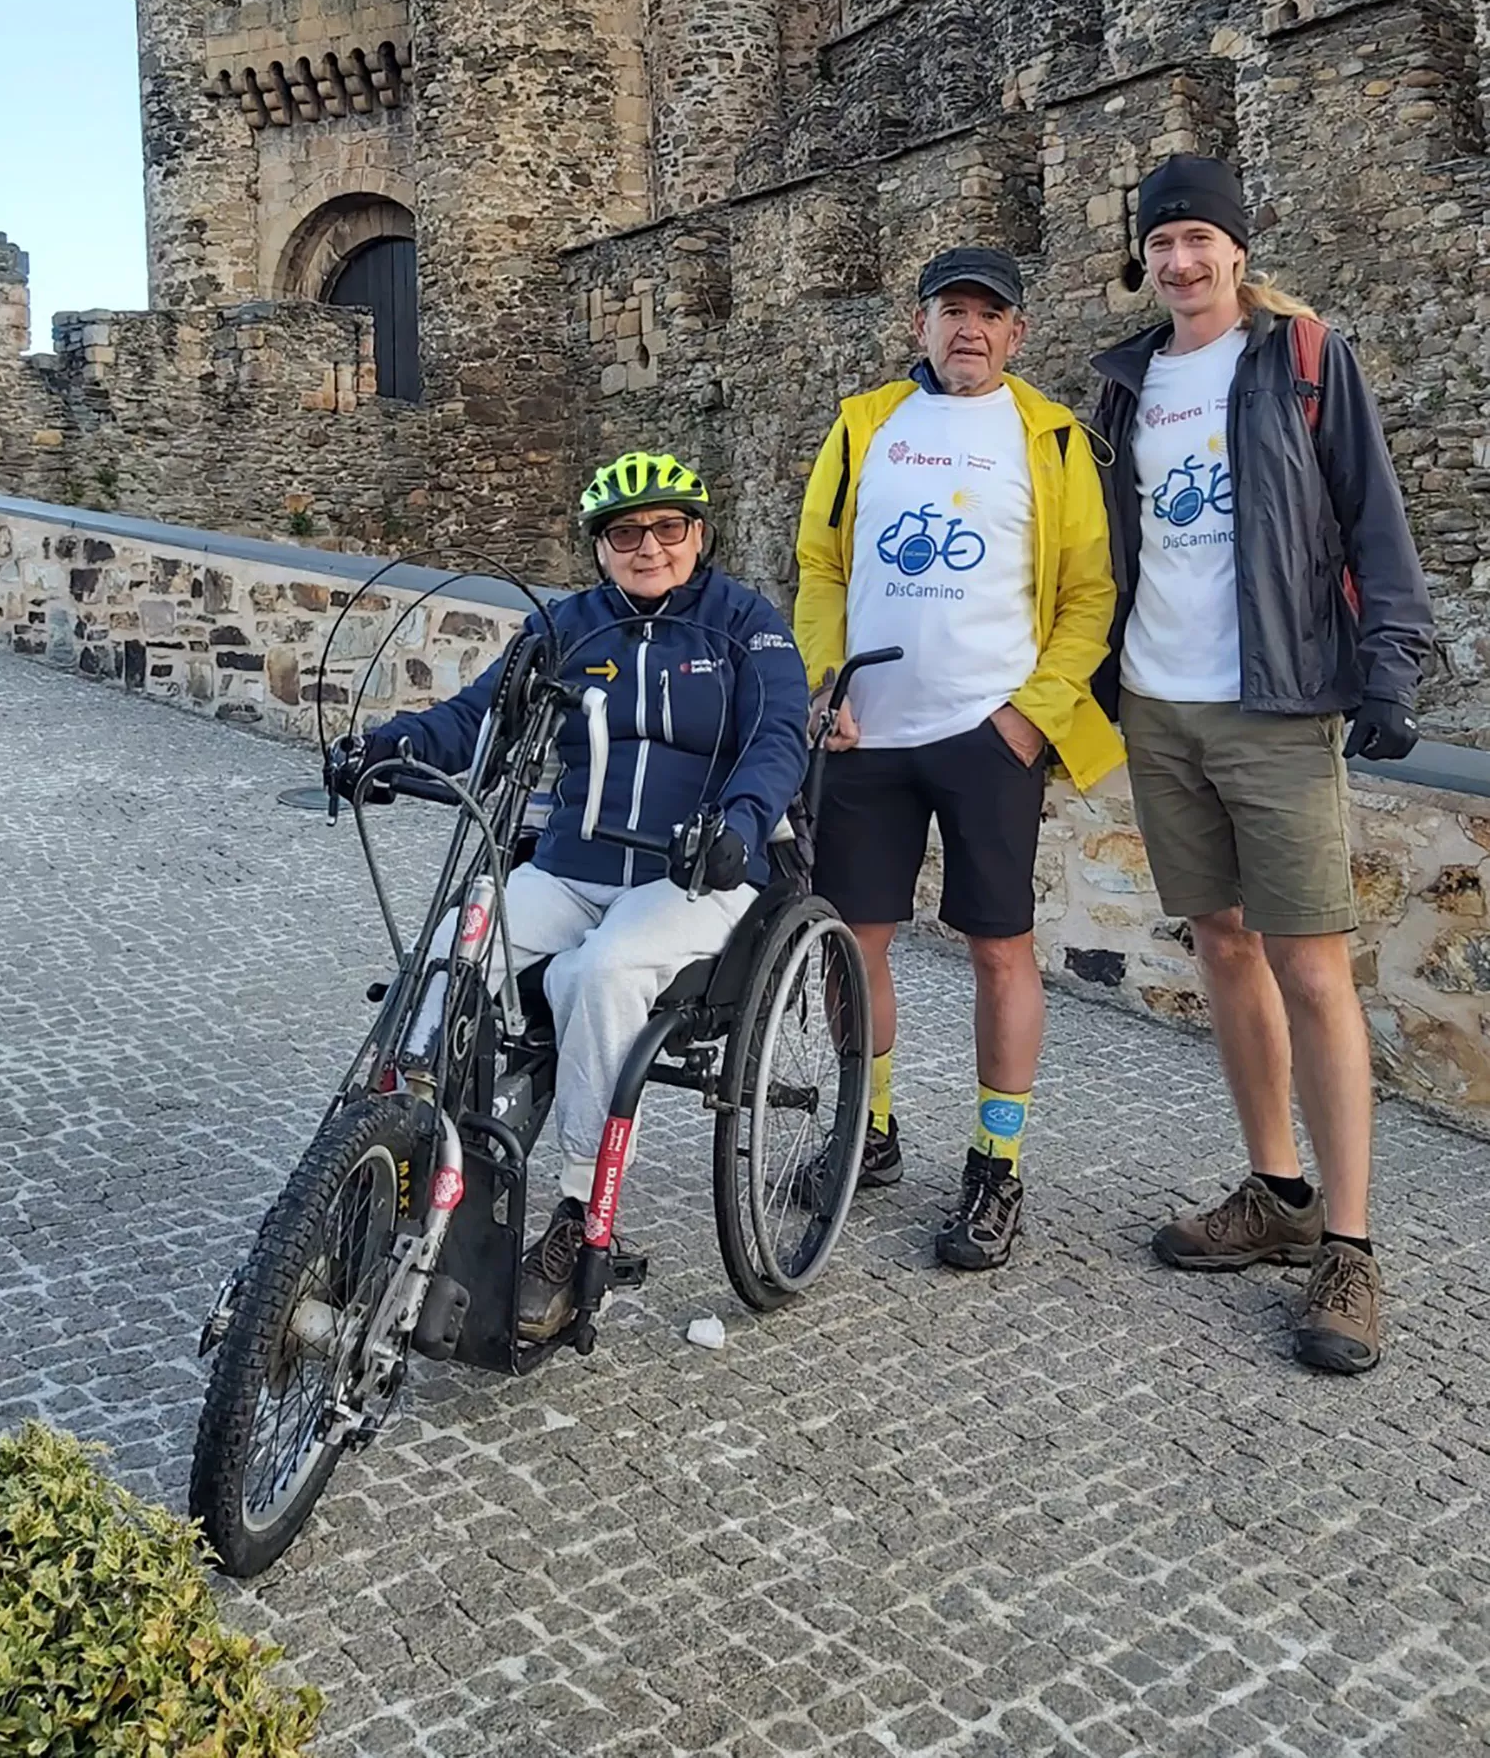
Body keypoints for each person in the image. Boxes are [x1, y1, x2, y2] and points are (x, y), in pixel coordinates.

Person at [1090, 155, 1432, 1375]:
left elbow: (1372, 515)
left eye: (1198, 239)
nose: (1181, 262)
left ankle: (1350, 1245)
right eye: (1162, 243)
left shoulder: (1301, 358)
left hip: (1277, 705)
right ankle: (1275, 1192)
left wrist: (1390, 660)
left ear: (1238, 248)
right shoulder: (1125, 382)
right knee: (1222, 943)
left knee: (1312, 966)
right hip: (1158, 705)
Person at [350, 448, 809, 1342]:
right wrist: (386, 745)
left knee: (593, 978)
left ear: (699, 535)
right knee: (457, 945)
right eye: (625, 532)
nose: (649, 546)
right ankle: (395, 1143)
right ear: (599, 548)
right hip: (570, 863)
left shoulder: (746, 627)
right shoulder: (565, 629)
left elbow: (778, 736)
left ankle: (574, 1218)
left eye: (668, 528)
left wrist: (740, 825)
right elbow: (477, 715)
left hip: (691, 873)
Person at [794, 246, 1122, 1274]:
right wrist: (823, 682)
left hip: (990, 732)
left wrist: (1030, 719)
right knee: (858, 944)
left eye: (989, 314)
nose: (969, 329)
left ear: (1017, 332)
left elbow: (1088, 599)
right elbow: (819, 566)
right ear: (919, 325)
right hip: (870, 733)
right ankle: (872, 1127)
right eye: (951, 311)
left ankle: (997, 1162)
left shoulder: (1054, 439)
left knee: (998, 948)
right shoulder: (864, 426)